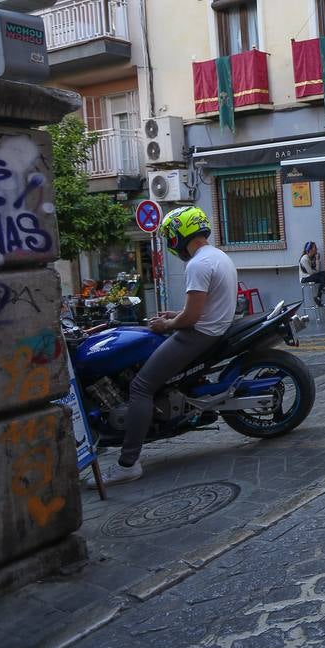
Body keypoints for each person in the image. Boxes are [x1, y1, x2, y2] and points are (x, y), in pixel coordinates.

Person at [97, 206, 236, 485]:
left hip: (199, 334)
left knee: (140, 386)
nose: (172, 245)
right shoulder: (217, 256)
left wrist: (168, 325)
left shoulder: (197, 264)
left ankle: (128, 463)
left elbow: (193, 316)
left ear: (180, 235)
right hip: (213, 328)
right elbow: (199, 307)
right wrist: (175, 315)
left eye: (171, 238)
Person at [298, 241, 325, 306]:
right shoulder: (304, 258)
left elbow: (317, 270)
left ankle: (319, 297)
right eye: (315, 247)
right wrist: (316, 272)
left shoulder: (313, 258)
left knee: (324, 274)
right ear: (310, 249)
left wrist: (317, 259)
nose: (316, 249)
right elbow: (311, 272)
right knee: (322, 277)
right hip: (304, 278)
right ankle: (323, 290)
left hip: (311, 276)